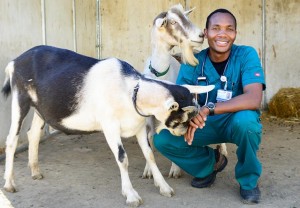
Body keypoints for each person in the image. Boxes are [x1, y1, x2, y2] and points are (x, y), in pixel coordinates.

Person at [153, 8, 266, 204]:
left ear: (235, 34)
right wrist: (191, 115)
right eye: (216, 28)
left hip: (234, 121)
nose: (222, 34)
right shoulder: (193, 60)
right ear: (206, 33)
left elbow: (254, 98)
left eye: (229, 29)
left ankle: (248, 181)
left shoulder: (246, 55)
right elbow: (181, 98)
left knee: (248, 122)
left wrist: (208, 109)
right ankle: (209, 165)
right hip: (203, 124)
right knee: (163, 139)